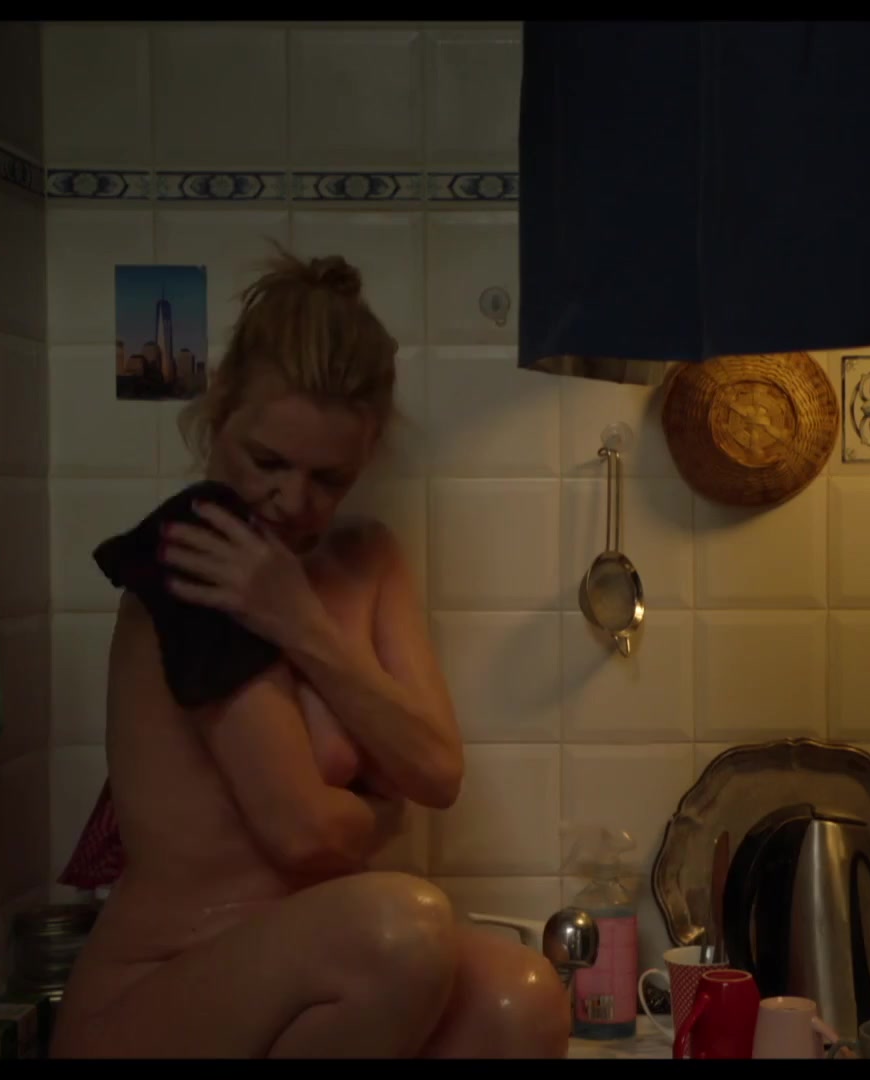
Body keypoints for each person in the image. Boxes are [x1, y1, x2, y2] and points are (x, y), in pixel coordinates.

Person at [49, 249, 572, 1059]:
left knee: (523, 1001)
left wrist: (301, 624)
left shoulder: (368, 561)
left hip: (316, 985)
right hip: (160, 989)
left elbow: (437, 772)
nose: (292, 501)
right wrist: (380, 814)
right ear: (222, 407)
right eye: (268, 462)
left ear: (366, 455)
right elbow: (301, 833)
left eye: (328, 479)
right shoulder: (194, 549)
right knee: (401, 929)